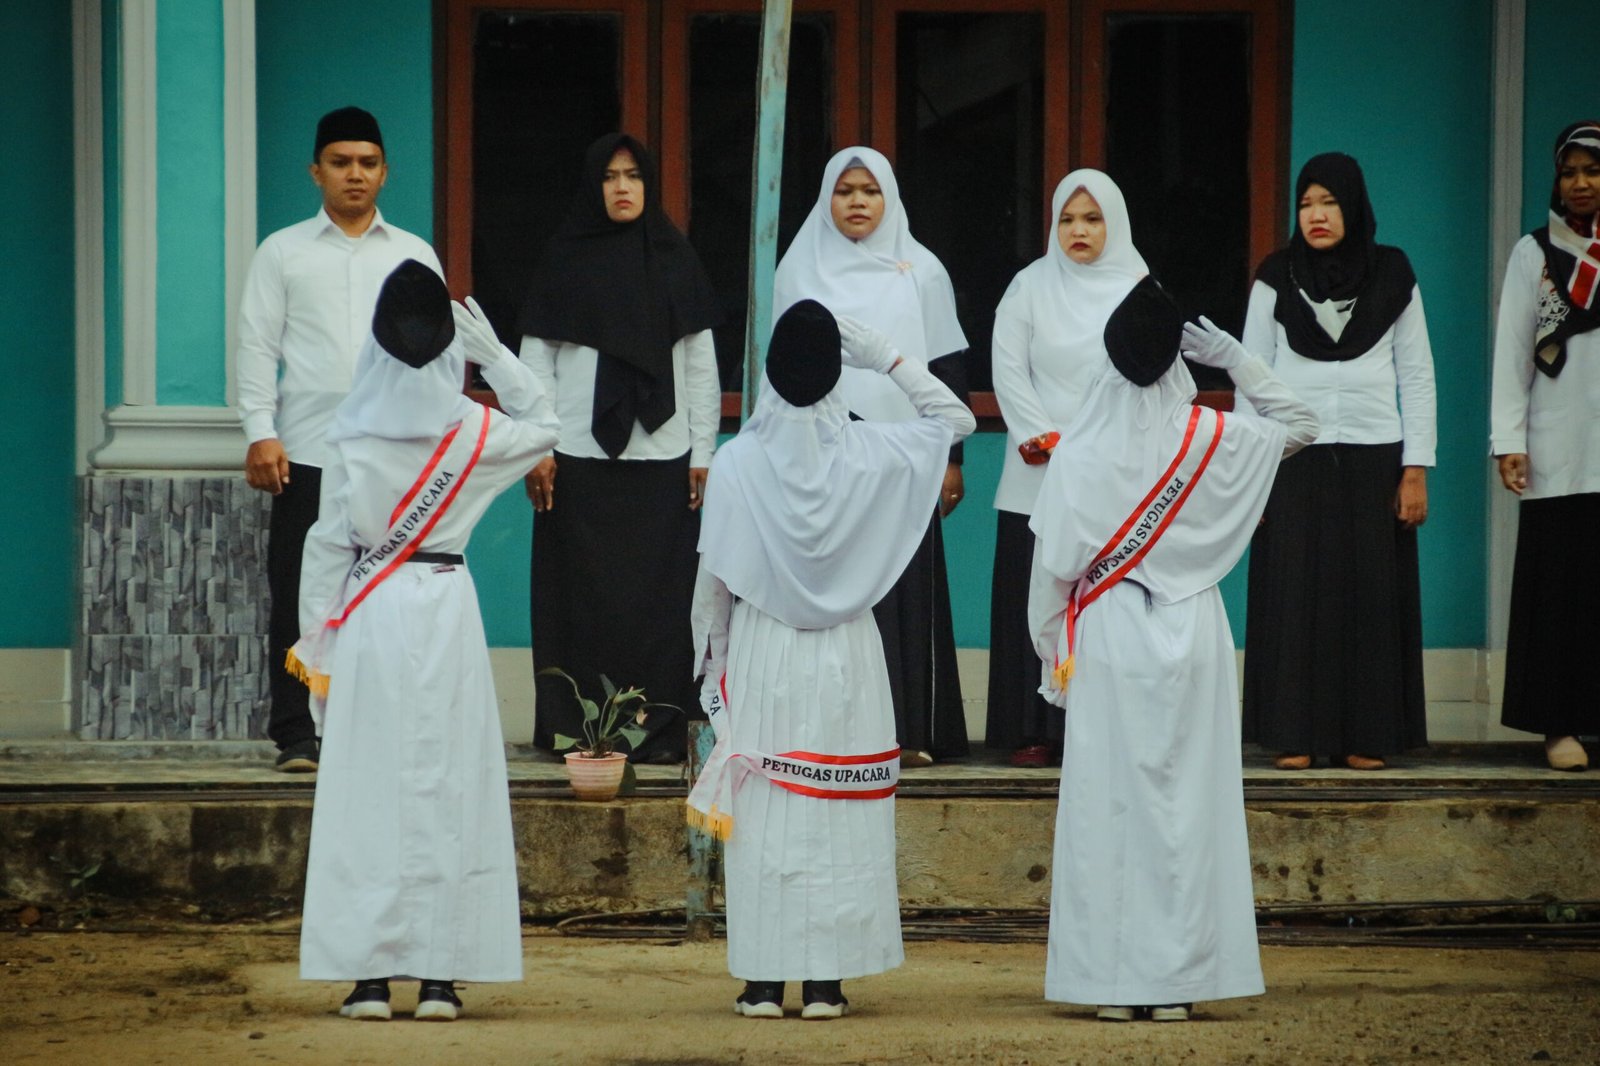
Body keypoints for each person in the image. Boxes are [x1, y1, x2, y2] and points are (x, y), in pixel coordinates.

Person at [1028, 278, 1319, 1022]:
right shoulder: (1213, 437)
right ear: (1176, 361)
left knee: (1107, 805)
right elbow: (1303, 422)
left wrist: (1054, 659)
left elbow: (1051, 580)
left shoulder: (1079, 452)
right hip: (1193, 630)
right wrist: (1236, 360)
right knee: (1188, 804)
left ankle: (1111, 987)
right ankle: (1176, 984)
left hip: (1108, 631)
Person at [687, 301, 976, 1020]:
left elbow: (712, 587)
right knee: (840, 814)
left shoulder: (737, 461)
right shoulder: (871, 451)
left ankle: (763, 981)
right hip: (848, 650)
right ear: (834, 376)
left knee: (767, 811)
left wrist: (711, 669)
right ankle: (827, 982)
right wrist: (886, 356)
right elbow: (956, 420)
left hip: (764, 647)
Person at [290, 260, 559, 1021]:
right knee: (450, 785)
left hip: (369, 615)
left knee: (367, 789)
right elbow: (547, 424)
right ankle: (442, 976)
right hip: (444, 607)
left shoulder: (350, 432)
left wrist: (316, 657)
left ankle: (369, 980)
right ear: (450, 348)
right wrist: (497, 359)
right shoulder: (475, 431)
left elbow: (327, 549)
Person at [236, 106, 443, 772]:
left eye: (368, 163)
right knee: (300, 592)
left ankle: (378, 730)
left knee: (389, 595)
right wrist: (260, 432)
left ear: (385, 172)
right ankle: (297, 734)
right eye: (341, 162)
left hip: (394, 456)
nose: (355, 174)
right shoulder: (283, 251)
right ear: (316, 171)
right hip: (307, 452)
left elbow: (440, 355)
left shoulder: (414, 254)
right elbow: (257, 345)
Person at [518, 133, 722, 763]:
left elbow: (699, 363)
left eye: (633, 175)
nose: (622, 187)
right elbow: (535, 360)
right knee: (578, 605)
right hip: (577, 460)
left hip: (663, 462)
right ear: (594, 185)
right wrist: (537, 445)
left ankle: (656, 733)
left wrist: (704, 452)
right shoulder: (563, 258)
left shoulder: (675, 257)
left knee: (660, 607)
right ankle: (575, 732)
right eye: (609, 177)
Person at [773, 146, 972, 767]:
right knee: (836, 586)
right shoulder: (797, 269)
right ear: (826, 199)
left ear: (889, 198)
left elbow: (947, 364)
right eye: (845, 191)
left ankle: (908, 731)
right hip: (824, 454)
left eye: (870, 191)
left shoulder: (923, 270)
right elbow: (778, 367)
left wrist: (953, 457)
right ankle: (835, 733)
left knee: (903, 586)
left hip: (905, 452)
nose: (857, 202)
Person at [1241, 152, 1436, 771]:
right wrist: (1249, 475)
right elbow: (1250, 377)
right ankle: (1292, 734)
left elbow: (1417, 374)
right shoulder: (1274, 276)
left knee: (1370, 597)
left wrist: (1415, 468)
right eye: (1306, 204)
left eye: (1328, 202)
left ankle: (1367, 735)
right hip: (1291, 459)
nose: (1316, 215)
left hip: (1375, 456)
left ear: (1353, 206)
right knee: (1295, 594)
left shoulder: (1393, 273)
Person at [987, 169, 1147, 767]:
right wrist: (1046, 439)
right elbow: (1009, 370)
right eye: (1068, 219)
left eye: (1093, 218)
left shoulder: (1139, 288)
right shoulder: (1028, 286)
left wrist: (1099, 446)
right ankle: (1032, 729)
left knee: (1105, 599)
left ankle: (1103, 726)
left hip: (1112, 474)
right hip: (1040, 472)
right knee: (1033, 592)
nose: (1079, 230)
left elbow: (1149, 378)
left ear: (1115, 223)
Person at [1492, 120, 1600, 772]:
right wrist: (1509, 439)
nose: (1580, 183)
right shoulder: (1534, 253)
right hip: (1558, 449)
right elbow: (1513, 350)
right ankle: (1560, 727)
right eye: (1570, 171)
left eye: (1593, 170)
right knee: (1560, 592)